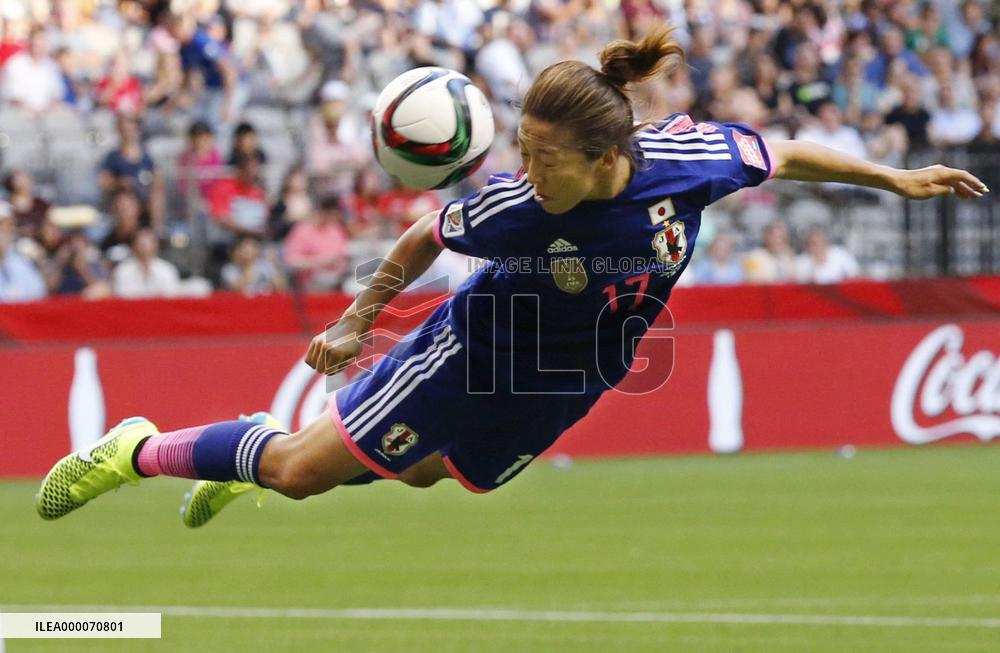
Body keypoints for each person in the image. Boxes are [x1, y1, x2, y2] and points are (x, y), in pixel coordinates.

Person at [35, 27, 989, 527]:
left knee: (423, 475)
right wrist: (357, 320)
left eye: (543, 153)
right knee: (298, 473)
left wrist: (893, 177)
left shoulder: (687, 159)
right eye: (520, 148)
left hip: (570, 380)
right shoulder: (516, 209)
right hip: (471, 351)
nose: (526, 169)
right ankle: (139, 448)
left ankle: (253, 452)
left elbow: (783, 151)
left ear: (609, 152)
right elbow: (417, 238)